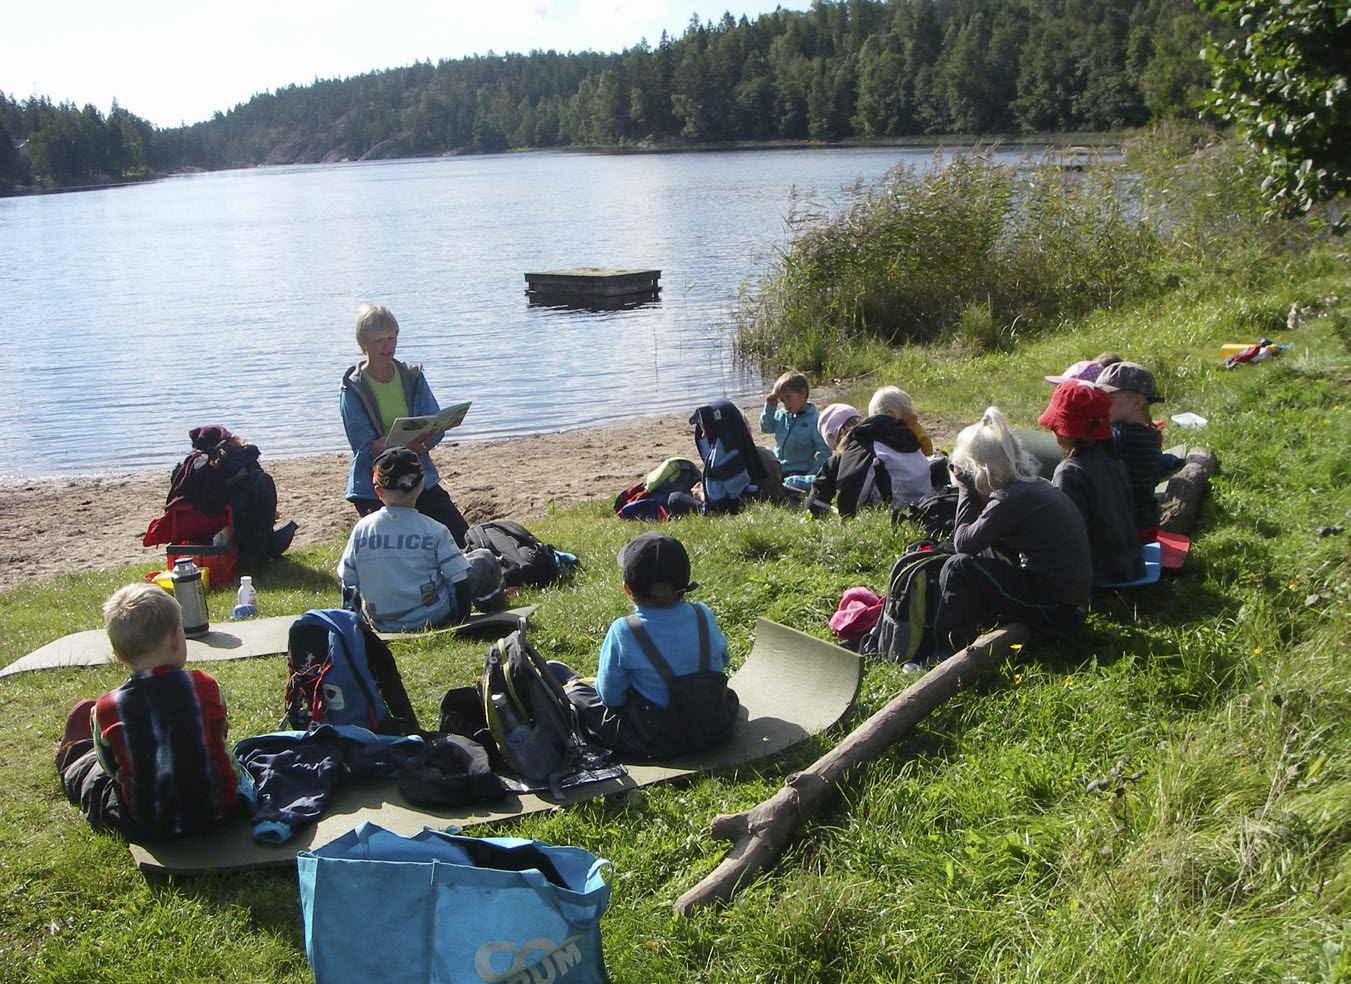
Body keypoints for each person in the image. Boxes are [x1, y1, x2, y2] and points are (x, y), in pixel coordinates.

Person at [55, 584, 251, 839]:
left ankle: (74, 761)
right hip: (223, 813)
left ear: (118, 656)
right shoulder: (205, 686)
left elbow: (109, 766)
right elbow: (220, 733)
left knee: (95, 782)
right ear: (176, 637)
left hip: (149, 824)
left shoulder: (105, 708)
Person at [927, 407, 1091, 667]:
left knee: (958, 566)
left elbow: (964, 544)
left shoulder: (1010, 498)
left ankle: (946, 654)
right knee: (976, 555)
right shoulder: (1030, 485)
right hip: (1070, 600)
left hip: (1057, 609)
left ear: (981, 471)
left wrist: (966, 489)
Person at [551, 532, 739, 758]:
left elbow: (611, 697)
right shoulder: (703, 614)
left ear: (627, 589)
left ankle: (573, 683)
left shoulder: (624, 630)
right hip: (716, 726)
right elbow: (724, 660)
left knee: (580, 697)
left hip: (658, 739)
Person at [340, 303, 469, 546]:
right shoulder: (353, 387)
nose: (388, 346)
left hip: (418, 474)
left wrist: (425, 439)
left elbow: (432, 421)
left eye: (392, 338)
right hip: (376, 483)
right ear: (364, 343)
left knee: (462, 539)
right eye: (379, 340)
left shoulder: (412, 376)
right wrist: (397, 445)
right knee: (396, 546)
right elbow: (363, 443)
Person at [338, 448, 503, 633]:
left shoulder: (361, 529)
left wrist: (353, 627)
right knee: (483, 558)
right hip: (433, 617)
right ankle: (492, 600)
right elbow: (459, 580)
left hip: (382, 622)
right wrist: (460, 620)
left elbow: (349, 584)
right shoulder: (434, 529)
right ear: (422, 484)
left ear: (378, 492)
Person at [144, 425, 296, 572]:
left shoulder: (185, 473)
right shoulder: (241, 470)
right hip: (243, 541)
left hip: (199, 534)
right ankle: (264, 551)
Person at [1037, 383, 1144, 585]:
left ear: (1064, 430)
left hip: (1097, 572)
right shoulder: (1114, 461)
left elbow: (1067, 533)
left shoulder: (1069, 471)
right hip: (1130, 564)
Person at [1096, 361, 1184, 542]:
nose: (1100, 405)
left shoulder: (1122, 435)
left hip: (1126, 528)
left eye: (1108, 399)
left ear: (1137, 402)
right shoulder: (1149, 434)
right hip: (1145, 523)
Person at [759, 371, 831, 493]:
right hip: (778, 467)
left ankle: (792, 487)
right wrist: (770, 406)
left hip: (800, 470)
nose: (786, 404)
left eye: (788, 397)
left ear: (803, 392)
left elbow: (825, 451)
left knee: (791, 484)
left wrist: (811, 474)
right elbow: (766, 427)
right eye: (782, 400)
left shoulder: (815, 420)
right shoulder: (781, 415)